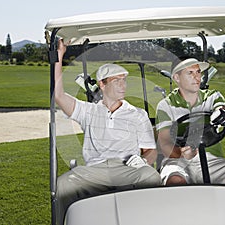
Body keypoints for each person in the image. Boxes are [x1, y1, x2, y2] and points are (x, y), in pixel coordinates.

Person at [54, 39, 161, 225]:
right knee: (63, 184)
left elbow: (150, 151)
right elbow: (59, 96)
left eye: (124, 80)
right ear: (102, 85)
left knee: (151, 176)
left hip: (126, 168)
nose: (123, 85)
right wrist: (59, 56)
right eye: (116, 81)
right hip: (95, 169)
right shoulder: (88, 111)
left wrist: (143, 162)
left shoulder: (137, 114)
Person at [156, 58, 225, 187]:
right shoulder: (165, 105)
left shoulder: (212, 96)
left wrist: (224, 115)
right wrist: (182, 153)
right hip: (177, 162)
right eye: (190, 73)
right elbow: (165, 145)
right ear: (177, 78)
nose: (197, 77)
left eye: (198, 72)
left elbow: (224, 111)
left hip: (212, 161)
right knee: (176, 181)